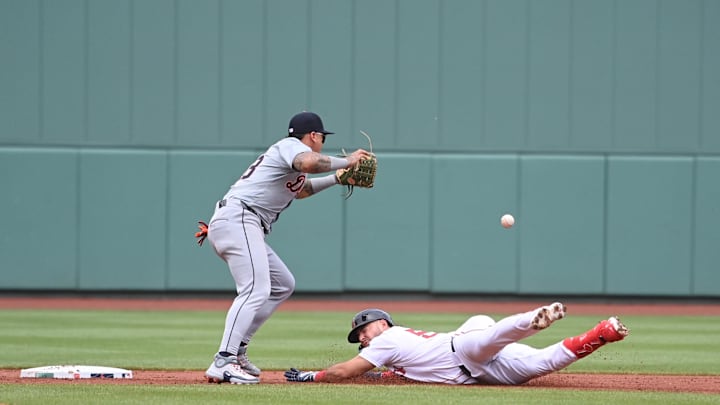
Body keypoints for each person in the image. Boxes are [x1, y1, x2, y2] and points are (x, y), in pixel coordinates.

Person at [202, 111, 373, 384]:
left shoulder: (290, 161)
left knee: (282, 283)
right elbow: (310, 162)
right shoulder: (291, 147)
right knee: (256, 289)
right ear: (314, 136)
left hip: (241, 222)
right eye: (322, 138)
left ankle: (238, 348)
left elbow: (301, 190)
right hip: (241, 218)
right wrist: (348, 160)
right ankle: (224, 359)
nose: (322, 143)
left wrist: (338, 179)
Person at [284, 302, 630, 385]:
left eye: (362, 330)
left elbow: (347, 370)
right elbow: (395, 372)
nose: (360, 337)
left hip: (463, 349)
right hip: (476, 371)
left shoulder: (386, 340)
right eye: (357, 336)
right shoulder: (389, 349)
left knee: (492, 336)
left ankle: (536, 317)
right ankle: (601, 334)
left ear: (381, 323)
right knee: (540, 365)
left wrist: (311, 377)